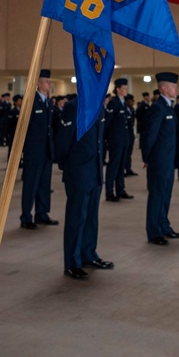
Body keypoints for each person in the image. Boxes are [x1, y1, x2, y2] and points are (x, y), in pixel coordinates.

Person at [55, 94, 113, 280]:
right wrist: (68, 165)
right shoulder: (73, 107)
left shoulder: (98, 105)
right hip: (78, 171)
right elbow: (62, 141)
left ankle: (89, 254)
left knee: (91, 216)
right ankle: (72, 262)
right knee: (76, 217)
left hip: (95, 169)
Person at [141, 73, 179, 245]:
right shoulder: (157, 108)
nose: (176, 89)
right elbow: (149, 135)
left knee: (166, 194)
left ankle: (164, 225)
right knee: (157, 195)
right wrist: (147, 157)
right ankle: (154, 231)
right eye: (174, 86)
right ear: (164, 88)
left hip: (168, 159)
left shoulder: (168, 107)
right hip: (159, 161)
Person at [20, 70, 58, 229]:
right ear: (38, 83)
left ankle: (42, 213)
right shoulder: (31, 101)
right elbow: (24, 127)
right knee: (31, 184)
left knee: (44, 184)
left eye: (50, 82)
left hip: (46, 151)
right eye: (47, 82)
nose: (49, 84)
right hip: (34, 151)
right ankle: (26, 216)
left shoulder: (49, 103)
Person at [103, 78, 133, 201]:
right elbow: (108, 123)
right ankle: (109, 192)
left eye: (126, 88)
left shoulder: (123, 103)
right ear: (118, 89)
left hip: (124, 139)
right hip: (115, 140)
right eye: (124, 88)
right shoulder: (113, 103)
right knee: (113, 166)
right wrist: (106, 138)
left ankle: (120, 189)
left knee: (121, 165)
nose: (126, 90)